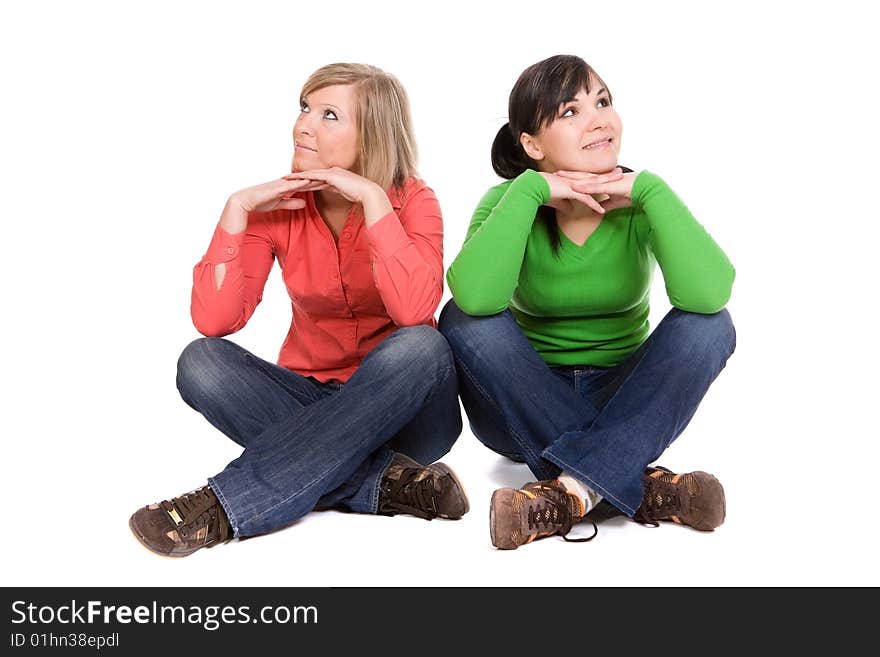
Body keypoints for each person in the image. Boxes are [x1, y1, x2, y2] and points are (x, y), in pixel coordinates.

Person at [129, 63, 466, 558]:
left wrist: (373, 200)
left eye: (329, 115)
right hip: (307, 396)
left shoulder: (415, 201)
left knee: (423, 344)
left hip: (409, 411)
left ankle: (224, 505)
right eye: (305, 108)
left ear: (372, 136)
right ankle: (387, 484)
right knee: (199, 361)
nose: (303, 124)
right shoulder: (278, 206)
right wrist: (236, 211)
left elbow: (414, 309)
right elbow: (215, 321)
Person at [438, 55, 736, 550]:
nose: (599, 118)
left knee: (711, 326)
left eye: (602, 102)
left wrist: (651, 189)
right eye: (571, 112)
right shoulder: (507, 200)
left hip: (623, 398)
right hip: (521, 402)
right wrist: (531, 189)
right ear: (532, 144)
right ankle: (636, 481)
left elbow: (708, 296)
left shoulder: (642, 201)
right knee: (463, 319)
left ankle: (568, 494)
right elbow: (474, 297)